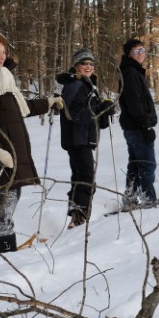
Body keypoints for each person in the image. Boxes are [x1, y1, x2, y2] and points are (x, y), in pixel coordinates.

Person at [0, 33, 64, 253]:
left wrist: (48, 103)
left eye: (3, 52)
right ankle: (5, 247)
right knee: (8, 196)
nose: (1, 56)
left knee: (11, 194)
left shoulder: (3, 78)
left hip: (13, 147)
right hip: (1, 149)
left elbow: (21, 108)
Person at [57, 49, 114, 228]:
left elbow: (93, 117)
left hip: (82, 138)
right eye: (84, 63)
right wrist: (99, 110)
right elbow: (74, 114)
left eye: (91, 64)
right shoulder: (76, 85)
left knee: (81, 176)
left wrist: (104, 108)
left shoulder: (87, 85)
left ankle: (77, 215)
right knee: (86, 177)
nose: (88, 66)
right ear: (76, 66)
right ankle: (79, 217)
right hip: (78, 139)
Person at [118, 38, 158, 208]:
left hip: (133, 127)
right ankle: (148, 199)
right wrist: (145, 124)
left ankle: (130, 197)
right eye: (136, 51)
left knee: (135, 163)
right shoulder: (130, 72)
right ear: (129, 54)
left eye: (142, 50)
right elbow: (134, 102)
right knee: (147, 164)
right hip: (137, 127)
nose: (140, 53)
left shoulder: (133, 71)